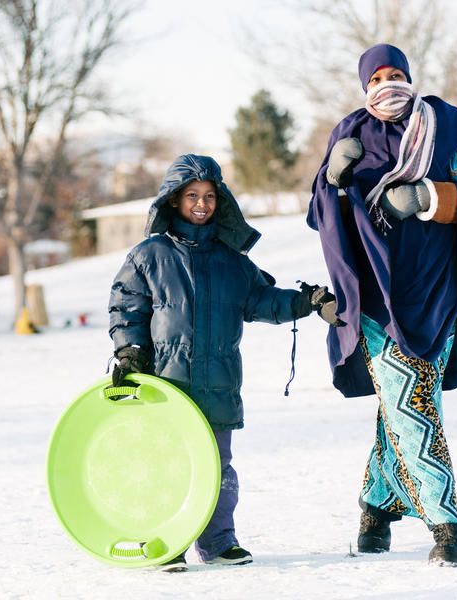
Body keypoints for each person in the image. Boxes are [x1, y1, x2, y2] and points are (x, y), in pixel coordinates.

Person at [307, 43, 457, 566]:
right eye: (376, 78)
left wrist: (431, 198)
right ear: (364, 88)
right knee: (410, 406)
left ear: (411, 76)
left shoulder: (447, 123)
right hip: (375, 299)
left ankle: (375, 511)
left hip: (438, 291)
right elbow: (319, 213)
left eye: (396, 73)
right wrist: (331, 178)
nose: (387, 84)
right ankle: (447, 527)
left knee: (403, 405)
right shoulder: (350, 131)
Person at [109, 153, 339, 572]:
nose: (202, 204)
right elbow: (127, 307)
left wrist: (308, 301)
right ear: (174, 200)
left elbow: (263, 299)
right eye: (192, 195)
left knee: (218, 469)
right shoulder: (150, 255)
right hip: (166, 385)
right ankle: (166, 541)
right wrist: (130, 353)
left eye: (210, 196)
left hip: (218, 383)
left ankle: (217, 542)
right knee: (164, 466)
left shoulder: (232, 259)